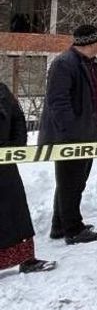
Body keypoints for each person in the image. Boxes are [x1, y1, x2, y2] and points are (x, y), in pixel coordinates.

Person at [39, 24, 97, 244]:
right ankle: (73, 229)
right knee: (70, 182)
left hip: (87, 134)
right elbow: (58, 103)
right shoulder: (64, 63)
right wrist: (72, 133)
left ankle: (60, 226)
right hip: (71, 137)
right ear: (88, 43)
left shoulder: (87, 63)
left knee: (75, 181)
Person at [1, 82, 56, 273]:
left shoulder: (2, 91)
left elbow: (17, 118)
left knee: (16, 212)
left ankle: (26, 259)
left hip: (5, 167)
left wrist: (14, 147)